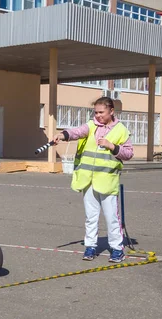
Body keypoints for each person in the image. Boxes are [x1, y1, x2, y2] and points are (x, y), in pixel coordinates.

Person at [53, 97, 134, 263]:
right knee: (91, 217)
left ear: (111, 111)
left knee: (112, 217)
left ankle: (117, 249)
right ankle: (90, 246)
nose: (98, 116)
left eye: (101, 112)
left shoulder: (121, 130)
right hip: (88, 180)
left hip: (107, 181)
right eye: (95, 112)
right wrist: (63, 135)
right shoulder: (91, 126)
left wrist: (113, 147)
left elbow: (129, 154)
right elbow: (77, 131)